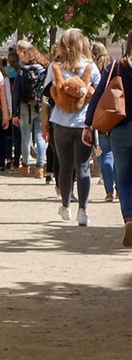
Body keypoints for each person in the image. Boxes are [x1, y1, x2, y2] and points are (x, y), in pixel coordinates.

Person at [41, 27, 101, 226]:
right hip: (84, 123)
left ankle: (66, 205)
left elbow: (47, 94)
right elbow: (99, 93)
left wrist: (44, 124)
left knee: (65, 167)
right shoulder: (90, 66)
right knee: (83, 166)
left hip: (61, 123)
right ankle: (83, 211)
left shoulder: (55, 66)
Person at [84, 35, 132, 247]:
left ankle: (129, 218)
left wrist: (88, 125)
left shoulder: (116, 67)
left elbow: (97, 97)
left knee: (123, 179)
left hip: (120, 129)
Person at [13, 40, 48, 177]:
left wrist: (14, 113)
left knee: (25, 137)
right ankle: (40, 167)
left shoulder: (22, 72)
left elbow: (16, 93)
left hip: (24, 107)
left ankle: (26, 166)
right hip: (40, 106)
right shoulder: (43, 71)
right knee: (40, 136)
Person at [90, 42, 117, 203]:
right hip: (118, 115)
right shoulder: (116, 65)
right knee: (119, 156)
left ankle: (109, 191)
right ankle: (121, 189)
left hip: (100, 116)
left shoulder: (95, 69)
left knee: (103, 153)